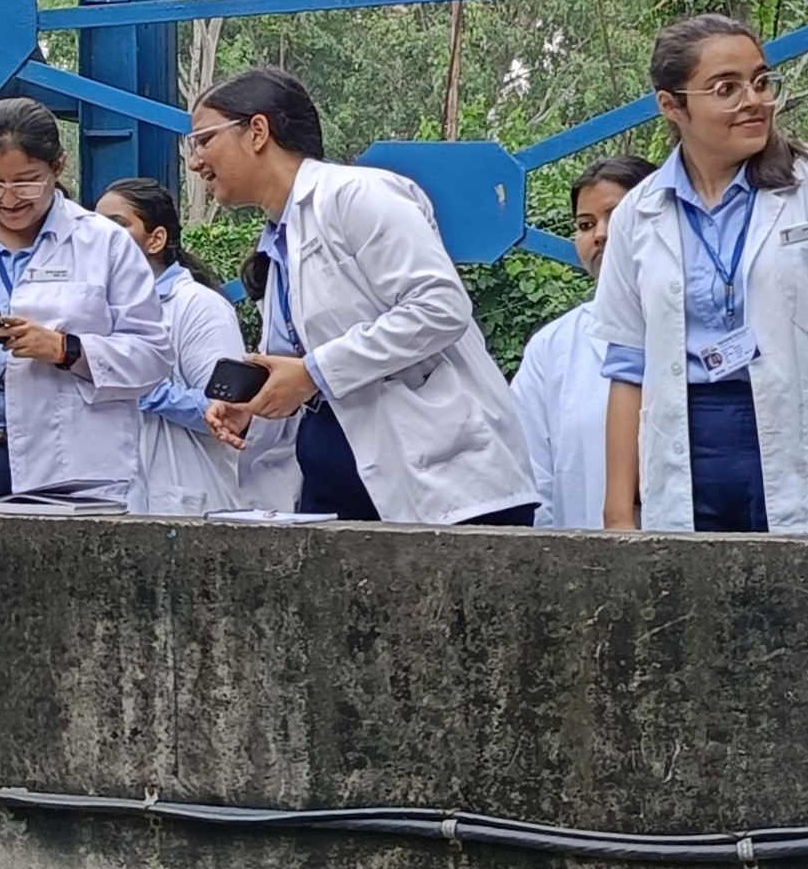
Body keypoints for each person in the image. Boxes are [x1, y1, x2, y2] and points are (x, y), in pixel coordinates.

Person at [593, 15, 808, 536]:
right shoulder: (638, 215)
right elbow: (628, 367)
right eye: (725, 88)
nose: (753, 100)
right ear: (672, 106)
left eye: (760, 81)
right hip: (691, 447)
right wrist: (618, 514)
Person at [185, 69, 538, 526]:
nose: (195, 162)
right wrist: (258, 404)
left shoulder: (358, 195)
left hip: (444, 485)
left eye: (203, 139)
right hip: (336, 481)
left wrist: (312, 373)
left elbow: (440, 306)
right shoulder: (277, 243)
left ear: (257, 131)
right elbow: (307, 369)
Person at [0, 98, 173, 509]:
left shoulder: (105, 244)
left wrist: (67, 350)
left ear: (58, 167)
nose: (9, 199)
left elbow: (153, 356)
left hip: (73, 466)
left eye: (27, 183)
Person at [94, 176, 253, 519]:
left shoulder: (197, 306)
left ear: (156, 239)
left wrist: (138, 385)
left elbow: (226, 412)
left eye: (117, 226)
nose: (100, 237)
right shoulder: (95, 310)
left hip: (183, 495)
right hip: (111, 494)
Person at [511, 157, 653, 530]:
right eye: (585, 225)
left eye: (616, 215)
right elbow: (530, 477)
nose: (600, 234)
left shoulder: (711, 327)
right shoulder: (552, 348)